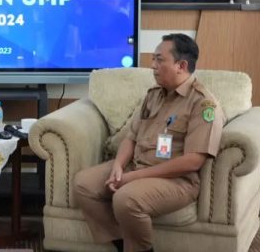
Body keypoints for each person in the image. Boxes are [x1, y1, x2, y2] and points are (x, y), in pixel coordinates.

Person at [73, 33, 225, 252]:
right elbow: (132, 137)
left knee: (126, 199)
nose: (153, 65)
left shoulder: (203, 104)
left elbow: (193, 161)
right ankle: (123, 244)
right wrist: (118, 166)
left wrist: (133, 177)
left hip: (176, 180)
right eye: (153, 59)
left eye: (159, 60)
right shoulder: (154, 94)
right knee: (83, 184)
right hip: (136, 165)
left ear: (181, 65)